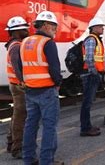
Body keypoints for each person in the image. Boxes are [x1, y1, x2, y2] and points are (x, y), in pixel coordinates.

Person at [20, 11, 63, 164]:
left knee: (30, 125)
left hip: (30, 91)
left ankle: (29, 159)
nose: (55, 29)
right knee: (49, 127)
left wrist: (25, 82)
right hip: (46, 91)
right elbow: (54, 69)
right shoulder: (47, 43)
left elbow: (20, 67)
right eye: (53, 26)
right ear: (45, 25)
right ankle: (47, 161)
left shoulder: (25, 42)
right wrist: (58, 83)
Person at [4, 16, 29, 159]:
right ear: (16, 31)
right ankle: (17, 148)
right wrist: (23, 82)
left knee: (16, 116)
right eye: (24, 29)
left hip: (15, 85)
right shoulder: (16, 46)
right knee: (20, 117)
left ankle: (10, 142)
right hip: (19, 87)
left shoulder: (14, 44)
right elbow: (17, 67)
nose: (26, 31)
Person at [80, 18, 105, 137]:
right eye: (100, 26)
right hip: (90, 75)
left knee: (88, 102)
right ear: (94, 28)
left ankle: (87, 126)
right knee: (87, 102)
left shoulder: (95, 39)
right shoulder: (92, 39)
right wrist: (95, 72)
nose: (102, 28)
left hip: (91, 74)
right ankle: (85, 128)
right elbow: (89, 58)